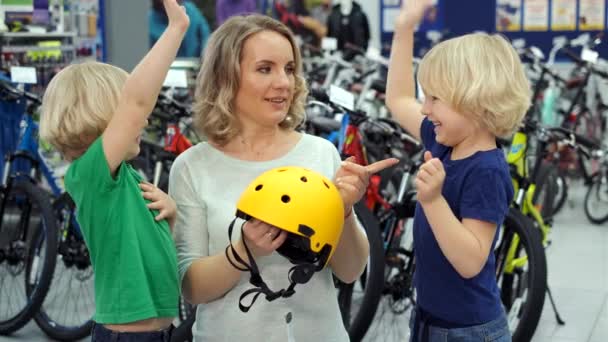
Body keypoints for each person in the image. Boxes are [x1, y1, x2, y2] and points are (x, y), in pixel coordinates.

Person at [169, 14, 397, 342]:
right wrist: (244, 251)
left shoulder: (320, 154)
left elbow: (350, 270)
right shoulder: (192, 166)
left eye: (289, 69)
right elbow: (192, 288)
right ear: (226, 78)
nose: (284, 83)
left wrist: (344, 211)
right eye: (265, 69)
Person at [39, 1, 189, 340]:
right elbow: (137, 103)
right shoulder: (90, 175)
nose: (144, 120)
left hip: (157, 331)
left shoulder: (125, 177)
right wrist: (176, 28)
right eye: (123, 113)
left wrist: (171, 216)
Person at [385, 1, 530, 341]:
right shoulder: (443, 141)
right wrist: (405, 26)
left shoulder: (487, 171)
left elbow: (470, 260)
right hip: (429, 321)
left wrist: (433, 201)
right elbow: (397, 99)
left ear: (476, 101)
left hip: (468, 332)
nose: (424, 108)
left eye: (435, 98)